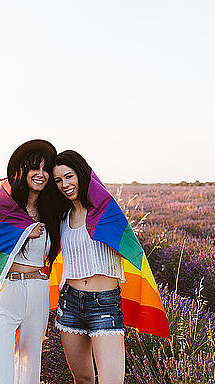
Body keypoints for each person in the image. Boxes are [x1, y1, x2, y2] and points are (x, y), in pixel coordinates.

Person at [50, 150, 170, 384]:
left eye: (69, 176)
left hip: (104, 303)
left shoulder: (105, 211)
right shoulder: (61, 217)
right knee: (83, 379)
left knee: (112, 380)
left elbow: (132, 249)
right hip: (70, 303)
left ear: (81, 175)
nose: (64, 184)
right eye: (58, 180)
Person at [0, 139, 60, 384]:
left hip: (38, 291)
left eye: (46, 169)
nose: (41, 174)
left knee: (30, 369)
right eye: (35, 168)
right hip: (7, 292)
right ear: (23, 170)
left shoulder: (51, 212)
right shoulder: (5, 206)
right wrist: (24, 231)